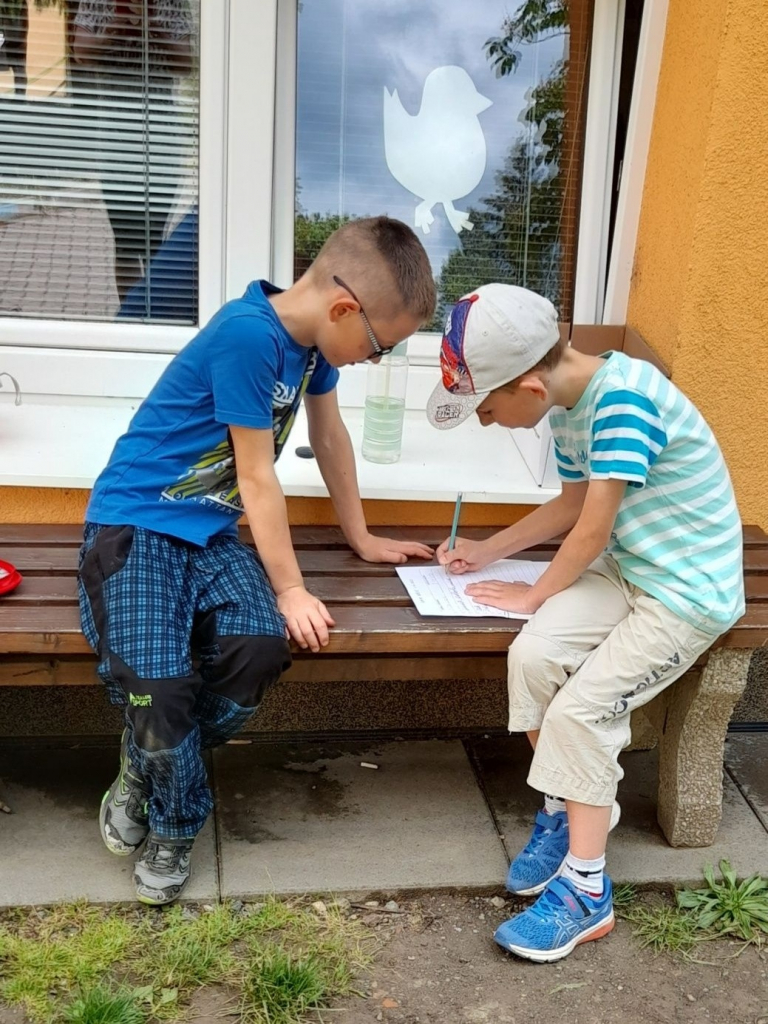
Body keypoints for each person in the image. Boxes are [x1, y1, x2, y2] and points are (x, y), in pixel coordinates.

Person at [78, 216, 437, 905]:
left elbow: (329, 439)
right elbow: (256, 476)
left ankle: (142, 762)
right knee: (159, 688)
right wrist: (292, 587)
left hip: (209, 537)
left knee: (258, 648)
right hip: (136, 525)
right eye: (382, 345)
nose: (376, 360)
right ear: (344, 309)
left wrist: (362, 537)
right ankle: (175, 825)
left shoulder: (314, 350)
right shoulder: (249, 335)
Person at [428, 284, 744, 963]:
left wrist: (534, 593)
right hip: (631, 570)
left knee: (581, 713)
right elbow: (573, 506)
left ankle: (586, 890)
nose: (484, 421)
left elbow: (594, 527)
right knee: (532, 657)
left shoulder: (623, 400)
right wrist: (489, 550)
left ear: (529, 388)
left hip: (684, 592)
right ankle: (563, 808)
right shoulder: (568, 405)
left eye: (487, 409)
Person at [72, 0, 194, 303]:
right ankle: (130, 314)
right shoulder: (99, 2)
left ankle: (155, 311)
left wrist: (153, 28)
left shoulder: (171, 3)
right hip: (117, 140)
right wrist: (113, 29)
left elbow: (186, 63)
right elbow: (81, 52)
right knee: (126, 241)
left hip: (162, 139)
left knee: (154, 240)